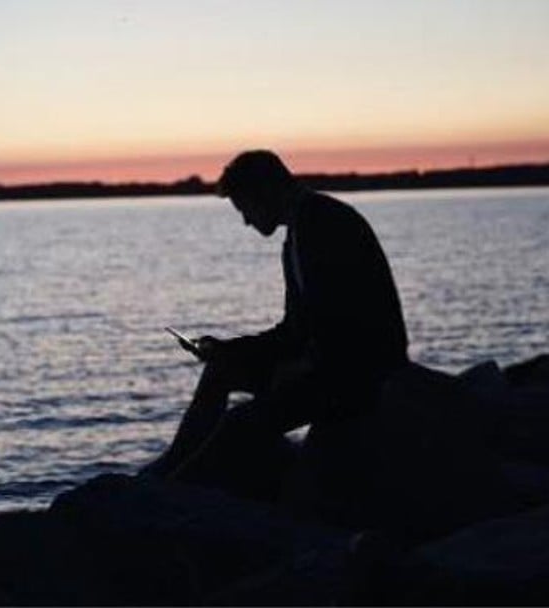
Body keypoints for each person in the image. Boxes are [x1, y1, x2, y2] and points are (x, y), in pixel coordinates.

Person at [143, 150, 409, 505]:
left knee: (240, 423)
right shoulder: (300, 233)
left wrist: (299, 367)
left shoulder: (324, 225)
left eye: (244, 208)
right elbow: (294, 330)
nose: (246, 221)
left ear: (264, 192)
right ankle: (174, 468)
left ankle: (175, 492)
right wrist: (227, 349)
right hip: (330, 363)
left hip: (360, 374)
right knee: (221, 369)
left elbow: (343, 327)